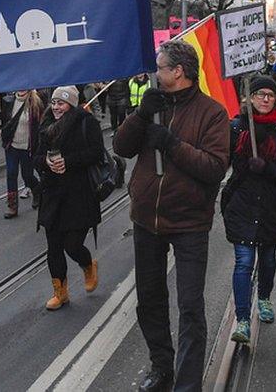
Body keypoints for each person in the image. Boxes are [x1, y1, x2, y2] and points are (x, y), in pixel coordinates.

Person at [113, 40, 230, 392]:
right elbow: (121, 147)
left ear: (177, 72)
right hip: (147, 218)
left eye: (160, 67)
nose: (155, 73)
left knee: (190, 307)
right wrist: (140, 115)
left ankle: (188, 384)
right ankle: (161, 366)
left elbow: (214, 167)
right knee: (149, 300)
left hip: (189, 222)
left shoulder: (212, 113)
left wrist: (171, 144)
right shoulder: (154, 105)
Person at [220, 76, 276, 343]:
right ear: (249, 97)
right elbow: (220, 161)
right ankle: (242, 320)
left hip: (271, 208)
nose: (265, 99)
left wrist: (267, 168)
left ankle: (263, 297)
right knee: (243, 263)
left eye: (270, 95)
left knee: (267, 260)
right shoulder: (237, 127)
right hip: (242, 205)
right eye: (260, 94)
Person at [34, 86, 103, 311]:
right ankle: (60, 292)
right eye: (53, 103)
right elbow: (35, 157)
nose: (55, 107)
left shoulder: (86, 122)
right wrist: (46, 162)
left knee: (72, 244)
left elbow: (96, 152)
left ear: (71, 104)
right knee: (53, 246)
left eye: (61, 103)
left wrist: (69, 161)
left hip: (79, 194)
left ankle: (87, 265)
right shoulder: (45, 125)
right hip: (52, 194)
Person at [0, 89, 44, 218]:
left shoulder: (36, 103)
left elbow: (41, 124)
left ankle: (37, 192)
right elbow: (5, 120)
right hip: (12, 146)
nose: (21, 89)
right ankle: (12, 206)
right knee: (11, 174)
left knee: (27, 176)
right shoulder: (8, 101)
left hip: (28, 148)